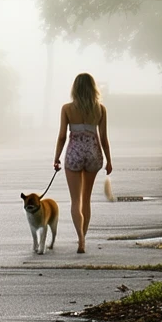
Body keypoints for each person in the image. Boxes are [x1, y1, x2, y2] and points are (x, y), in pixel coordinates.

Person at [52, 73, 113, 253]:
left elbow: (62, 136)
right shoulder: (100, 109)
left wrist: (56, 157)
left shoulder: (67, 109)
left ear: (75, 88)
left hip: (74, 155)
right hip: (94, 153)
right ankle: (83, 238)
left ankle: (80, 239)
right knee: (86, 199)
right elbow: (104, 138)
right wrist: (109, 161)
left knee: (75, 200)